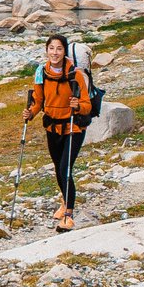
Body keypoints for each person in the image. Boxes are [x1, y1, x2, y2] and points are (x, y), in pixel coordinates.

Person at [23, 33, 92, 230]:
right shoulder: (41, 72)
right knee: (58, 169)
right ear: (47, 50)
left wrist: (77, 104)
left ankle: (68, 216)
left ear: (65, 51)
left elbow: (87, 105)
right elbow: (38, 100)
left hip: (73, 126)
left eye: (59, 49)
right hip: (52, 127)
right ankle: (64, 202)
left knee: (65, 169)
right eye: (51, 48)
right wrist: (31, 113)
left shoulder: (75, 75)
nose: (55, 52)